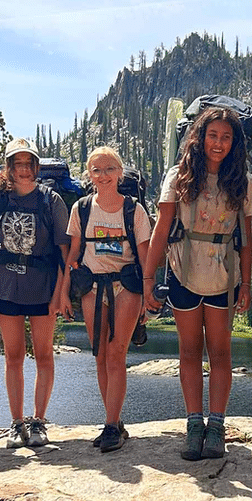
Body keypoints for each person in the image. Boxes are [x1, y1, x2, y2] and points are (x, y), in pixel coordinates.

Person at [143, 106, 252, 460]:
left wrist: (247, 284)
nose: (218, 143)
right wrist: (148, 277)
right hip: (182, 269)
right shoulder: (179, 176)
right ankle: (194, 424)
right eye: (212, 135)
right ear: (199, 137)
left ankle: (217, 425)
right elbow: (161, 229)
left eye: (226, 137)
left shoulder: (243, 180)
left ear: (235, 142)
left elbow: (246, 237)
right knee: (189, 350)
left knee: (221, 352)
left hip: (224, 275)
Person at [0, 137, 70, 448]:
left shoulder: (50, 200)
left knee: (43, 355)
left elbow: (64, 252)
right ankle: (17, 424)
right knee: (13, 356)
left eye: (29, 163)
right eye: (18, 164)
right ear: (10, 168)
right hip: (6, 288)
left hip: (43, 288)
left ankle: (39, 422)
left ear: (36, 167)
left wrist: (61, 291)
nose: (24, 169)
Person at [60, 147, 151, 453]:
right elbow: (72, 254)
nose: (103, 175)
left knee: (116, 354)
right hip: (92, 287)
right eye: (96, 170)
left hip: (125, 287)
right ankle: (115, 420)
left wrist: (148, 296)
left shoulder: (134, 210)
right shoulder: (82, 209)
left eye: (109, 169)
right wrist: (63, 292)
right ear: (89, 175)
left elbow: (145, 257)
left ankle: (111, 425)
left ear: (120, 173)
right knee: (100, 354)